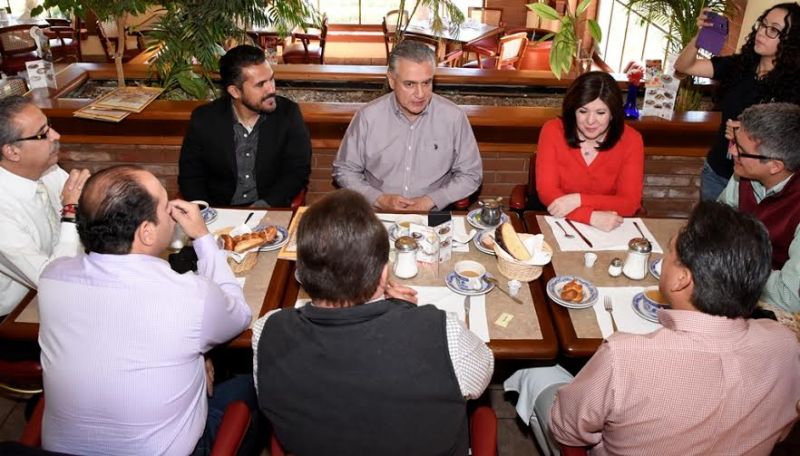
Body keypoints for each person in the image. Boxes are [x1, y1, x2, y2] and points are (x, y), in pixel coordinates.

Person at [505, 201, 800, 455]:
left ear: (681, 280)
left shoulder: (625, 355)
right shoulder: (786, 345)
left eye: (669, 252)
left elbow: (567, 430)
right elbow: (783, 430)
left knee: (536, 370)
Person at [252, 189, 493, 455]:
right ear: (383, 275)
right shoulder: (444, 333)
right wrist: (412, 315)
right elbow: (481, 376)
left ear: (302, 273)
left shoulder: (265, 333)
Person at [38, 165, 255, 455]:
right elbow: (239, 314)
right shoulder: (189, 294)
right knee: (251, 382)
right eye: (166, 207)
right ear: (147, 232)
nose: (172, 213)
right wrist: (203, 238)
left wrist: (196, 354)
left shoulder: (52, 277)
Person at [333, 40, 483, 211]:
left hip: (434, 214)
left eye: (426, 83)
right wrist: (379, 199)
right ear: (391, 80)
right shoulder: (368, 117)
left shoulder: (453, 117)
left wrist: (432, 200)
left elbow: (471, 175)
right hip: (379, 214)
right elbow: (344, 170)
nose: (420, 94)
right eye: (410, 84)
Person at [674, 3, 800, 201]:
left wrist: (746, 135)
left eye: (773, 30)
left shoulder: (793, 86)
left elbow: (790, 142)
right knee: (709, 229)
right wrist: (700, 37)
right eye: (762, 24)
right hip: (718, 171)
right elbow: (684, 66)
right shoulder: (740, 65)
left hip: (758, 182)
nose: (762, 33)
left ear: (791, 40)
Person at [179, 44, 312, 207]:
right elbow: (190, 177)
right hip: (219, 212)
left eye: (271, 79)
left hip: (269, 210)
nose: (271, 89)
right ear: (235, 92)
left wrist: (265, 205)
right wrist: (206, 212)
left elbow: (297, 171)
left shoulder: (288, 115)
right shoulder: (205, 119)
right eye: (260, 84)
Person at [0, 95, 90, 320]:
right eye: (43, 133)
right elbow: (56, 281)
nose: (56, 136)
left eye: (50, 127)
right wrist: (71, 209)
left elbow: (88, 210)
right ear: (12, 152)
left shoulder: (46, 169)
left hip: (61, 283)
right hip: (16, 316)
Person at [534, 71, 644, 232]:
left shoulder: (631, 140)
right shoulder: (552, 130)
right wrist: (589, 217)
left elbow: (630, 203)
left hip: (609, 226)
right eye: (583, 111)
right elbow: (547, 192)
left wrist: (577, 200)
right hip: (559, 222)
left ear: (613, 113)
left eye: (600, 113)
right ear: (573, 111)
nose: (590, 121)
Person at [719, 103, 800, 313]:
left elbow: (788, 296)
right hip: (739, 289)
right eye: (735, 142)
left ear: (775, 166)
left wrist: (728, 266)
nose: (731, 151)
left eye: (741, 150)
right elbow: (717, 222)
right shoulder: (745, 172)